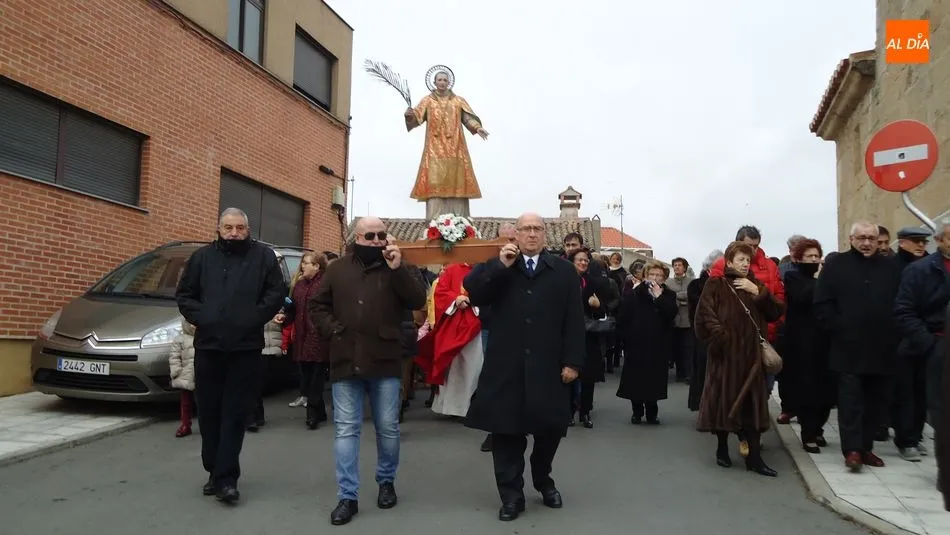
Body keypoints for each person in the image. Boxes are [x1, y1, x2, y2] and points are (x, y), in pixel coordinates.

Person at [463, 212, 586, 522]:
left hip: (549, 365)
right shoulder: (500, 267)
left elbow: (574, 320)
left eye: (538, 229)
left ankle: (543, 478)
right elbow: (474, 290)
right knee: (507, 433)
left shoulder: (563, 272)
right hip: (507, 366)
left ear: (545, 235)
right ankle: (511, 495)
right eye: (526, 229)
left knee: (551, 429)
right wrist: (498, 265)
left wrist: (573, 361)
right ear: (514, 234)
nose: (532, 234)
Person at [309, 217, 427, 526]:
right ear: (357, 238)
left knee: (387, 427)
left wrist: (398, 268)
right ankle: (347, 495)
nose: (377, 240)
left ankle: (386, 481)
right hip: (345, 358)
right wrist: (334, 330)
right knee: (347, 428)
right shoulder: (337, 269)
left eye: (382, 235)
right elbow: (317, 306)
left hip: (385, 359)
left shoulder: (398, 266)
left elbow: (416, 300)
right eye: (371, 235)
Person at [175, 207, 286, 504]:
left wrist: (253, 317)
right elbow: (185, 295)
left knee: (235, 414)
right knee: (209, 412)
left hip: (245, 348)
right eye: (228, 228)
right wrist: (206, 316)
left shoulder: (263, 257)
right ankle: (213, 469)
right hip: (209, 346)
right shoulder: (202, 258)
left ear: (248, 230)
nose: (234, 233)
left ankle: (227, 479)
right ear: (218, 229)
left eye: (240, 228)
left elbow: (276, 293)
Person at [694, 241, 785, 477]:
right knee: (725, 404)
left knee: (752, 408)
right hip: (725, 358)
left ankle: (754, 458)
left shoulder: (755, 285)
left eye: (748, 260)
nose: (745, 264)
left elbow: (776, 312)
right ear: (729, 261)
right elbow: (704, 316)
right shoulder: (716, 284)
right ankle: (722, 448)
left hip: (752, 360)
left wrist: (759, 292)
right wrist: (721, 337)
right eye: (740, 259)